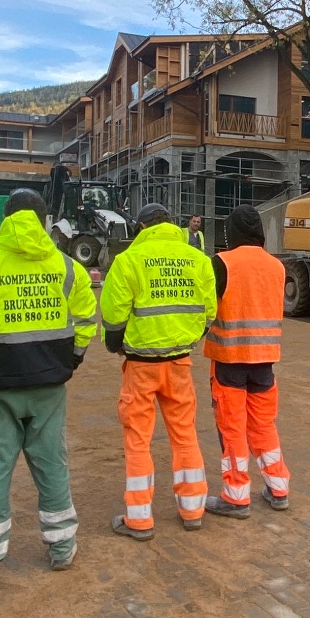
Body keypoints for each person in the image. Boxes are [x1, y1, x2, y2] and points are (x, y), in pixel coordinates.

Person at [0, 188, 98, 588]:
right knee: (52, 466)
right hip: (49, 386)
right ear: (45, 222)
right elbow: (85, 324)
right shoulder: (67, 268)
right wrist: (71, 362)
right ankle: (63, 549)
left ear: (6, 219)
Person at [99, 202, 217, 538]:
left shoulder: (127, 261)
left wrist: (116, 345)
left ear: (141, 227)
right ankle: (193, 509)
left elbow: (113, 318)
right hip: (179, 362)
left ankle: (139, 518)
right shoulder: (197, 259)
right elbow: (209, 312)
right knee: (184, 435)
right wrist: (188, 338)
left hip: (140, 364)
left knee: (138, 440)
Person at [202, 204, 291, 517]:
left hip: (229, 361)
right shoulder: (277, 267)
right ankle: (278, 487)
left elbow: (206, 310)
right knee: (263, 426)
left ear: (232, 232)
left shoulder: (222, 262)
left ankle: (236, 496)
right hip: (265, 363)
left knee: (232, 429)